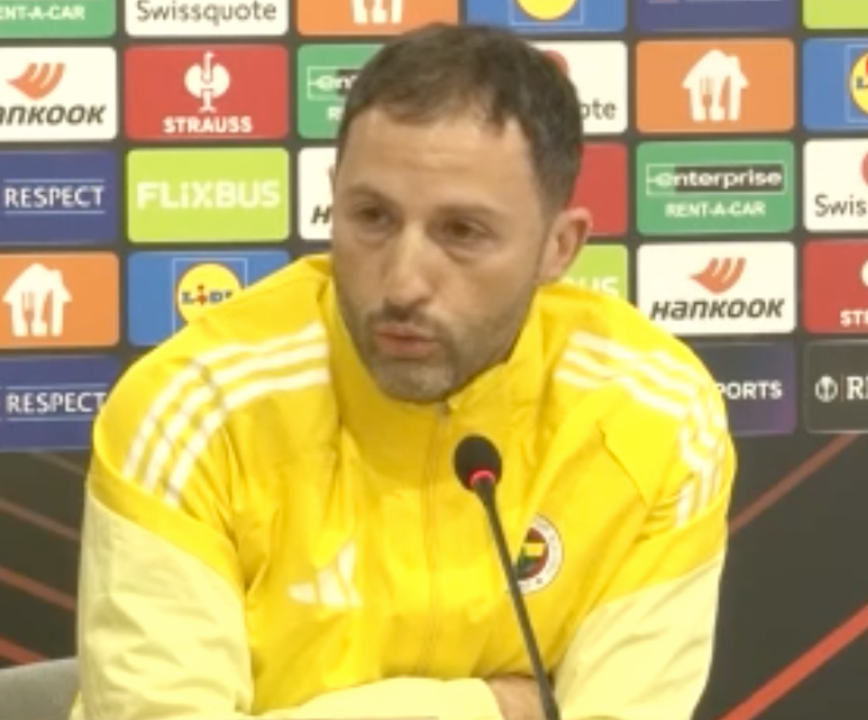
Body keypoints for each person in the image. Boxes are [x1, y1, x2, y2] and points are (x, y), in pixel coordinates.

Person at [75, 22, 736, 720]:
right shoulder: (192, 410)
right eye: (373, 217)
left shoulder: (654, 418)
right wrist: (488, 709)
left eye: (462, 232)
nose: (402, 283)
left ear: (558, 247)